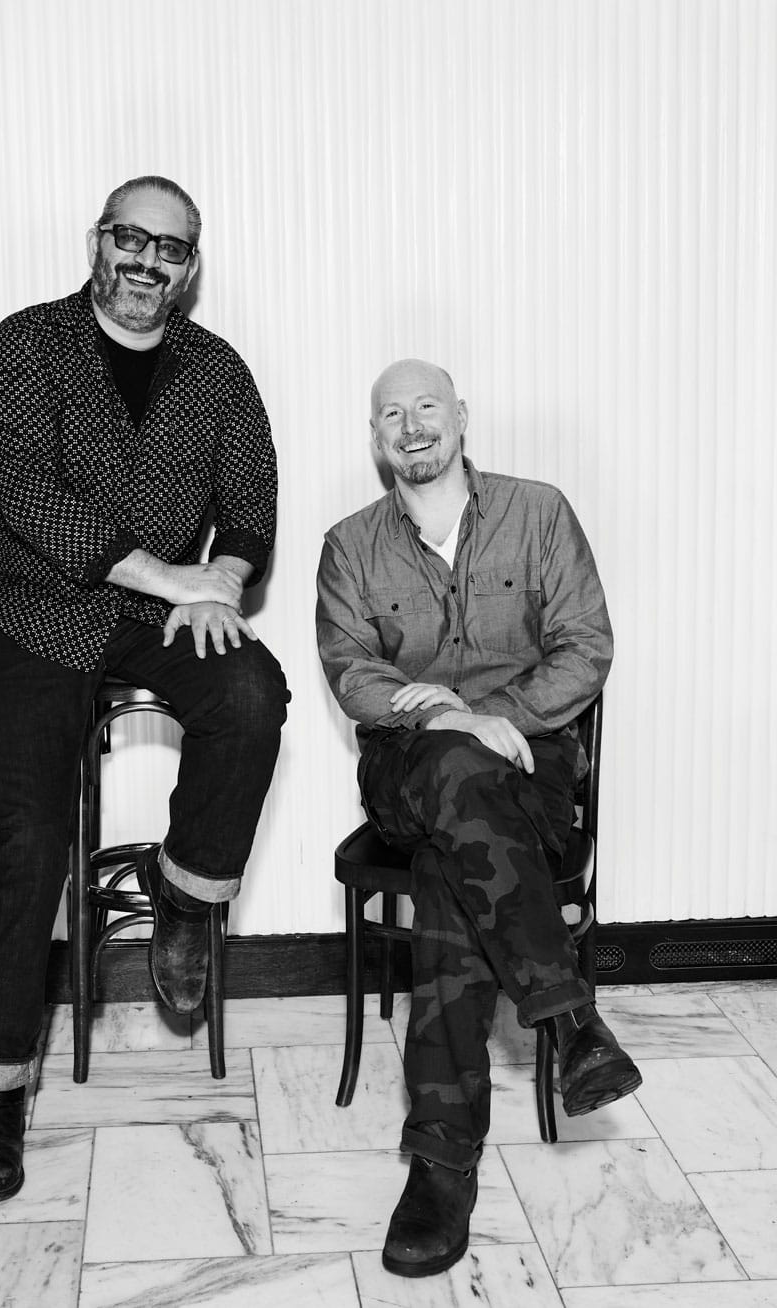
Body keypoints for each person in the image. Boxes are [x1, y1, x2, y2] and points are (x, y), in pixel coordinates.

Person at [0, 175, 289, 1203]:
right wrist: (169, 573)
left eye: (170, 248)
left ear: (192, 265)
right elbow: (32, 503)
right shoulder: (24, 345)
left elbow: (251, 502)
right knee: (25, 839)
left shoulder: (216, 370)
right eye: (130, 239)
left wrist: (222, 579)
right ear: (98, 242)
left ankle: (188, 902)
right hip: (33, 616)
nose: (147, 261)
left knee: (250, 694)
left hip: (156, 620)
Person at [315, 358, 640, 1278]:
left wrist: (510, 720)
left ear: (463, 416)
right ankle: (567, 1019)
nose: (411, 425)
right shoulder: (350, 545)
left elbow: (587, 647)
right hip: (407, 771)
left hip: (531, 769)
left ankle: (440, 1165)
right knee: (455, 773)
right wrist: (456, 719)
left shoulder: (540, 513)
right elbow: (354, 676)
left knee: (453, 877)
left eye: (427, 407)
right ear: (375, 437)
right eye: (390, 414)